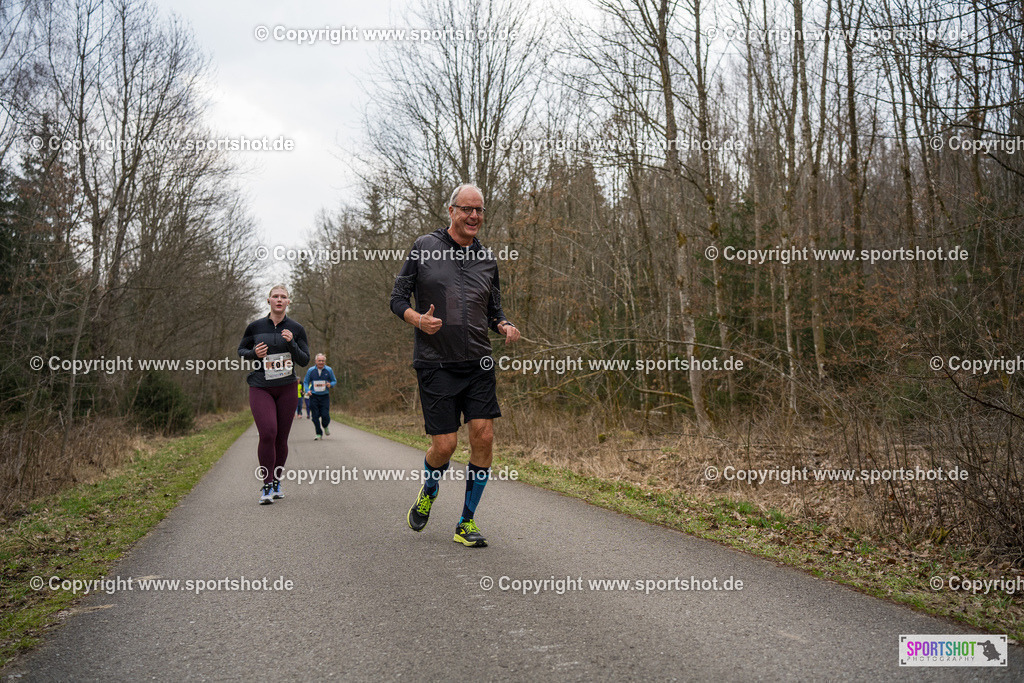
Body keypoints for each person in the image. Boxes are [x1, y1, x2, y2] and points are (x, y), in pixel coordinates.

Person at [390, 183, 520, 547]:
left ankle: (466, 522)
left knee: (484, 436)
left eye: (479, 210)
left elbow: (495, 309)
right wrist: (418, 320)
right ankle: (429, 489)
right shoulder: (423, 248)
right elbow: (397, 298)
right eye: (467, 209)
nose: (474, 216)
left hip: (478, 362)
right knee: (445, 446)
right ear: (451, 211)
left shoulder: (488, 260)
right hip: (436, 363)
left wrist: (504, 324)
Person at [238, 284, 310, 504]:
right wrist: (253, 353)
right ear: (268, 300)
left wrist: (292, 343)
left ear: (288, 302)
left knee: (281, 437)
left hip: (287, 386)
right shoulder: (255, 326)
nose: (279, 300)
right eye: (275, 296)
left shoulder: (296, 328)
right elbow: (241, 351)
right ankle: (266, 484)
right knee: (268, 432)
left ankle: (277, 481)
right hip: (261, 385)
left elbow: (304, 359)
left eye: (283, 297)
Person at [303, 353, 337, 440]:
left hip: (324, 396)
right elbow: (306, 382)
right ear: (316, 361)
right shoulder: (311, 370)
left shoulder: (329, 370)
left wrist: (330, 384)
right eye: (319, 361)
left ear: (325, 361)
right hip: (313, 396)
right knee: (315, 417)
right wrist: (307, 390)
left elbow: (334, 380)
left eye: (323, 361)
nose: (321, 362)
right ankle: (318, 433)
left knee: (325, 415)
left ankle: (325, 426)